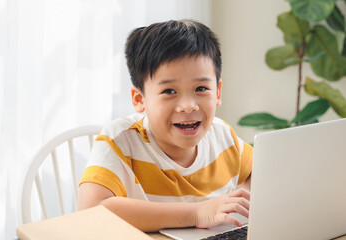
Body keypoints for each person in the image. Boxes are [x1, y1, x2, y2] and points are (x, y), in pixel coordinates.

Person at [77, 19, 253, 232]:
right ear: (139, 99)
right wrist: (196, 213)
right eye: (169, 91)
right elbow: (91, 212)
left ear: (217, 92)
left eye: (201, 88)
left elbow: (267, 176)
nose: (188, 106)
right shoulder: (120, 141)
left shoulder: (223, 136)